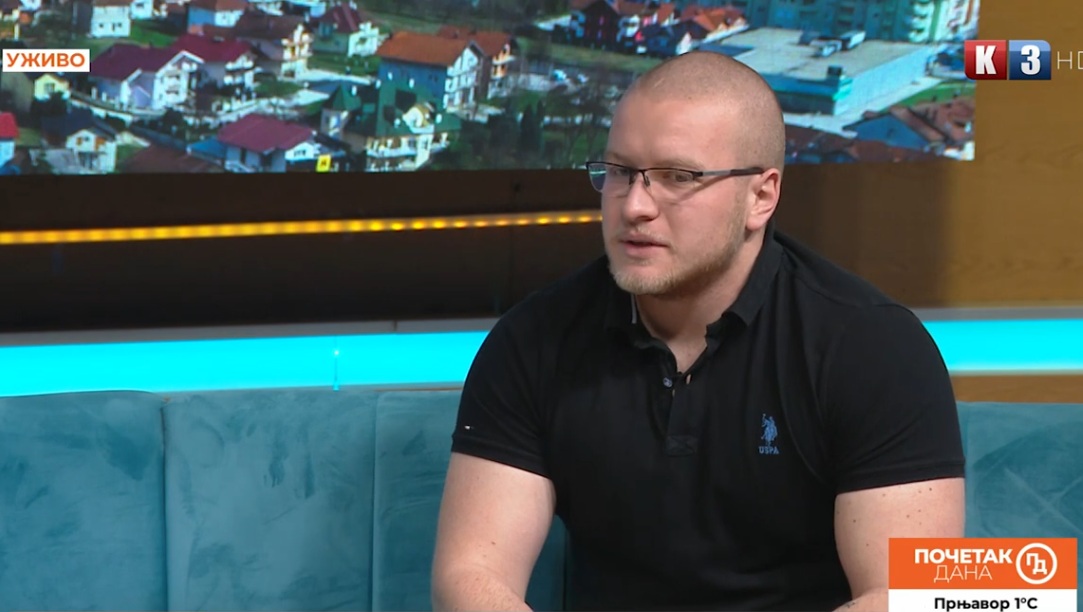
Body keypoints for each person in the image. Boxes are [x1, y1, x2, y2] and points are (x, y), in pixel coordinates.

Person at [431, 51, 966, 612]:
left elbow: (913, 596)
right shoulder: (533, 340)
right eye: (620, 172)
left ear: (761, 196)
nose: (635, 206)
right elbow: (470, 574)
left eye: (678, 177)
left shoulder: (873, 348)